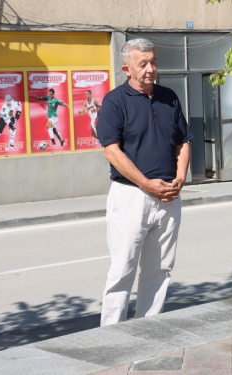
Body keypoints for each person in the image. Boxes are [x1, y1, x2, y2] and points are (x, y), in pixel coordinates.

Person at [97, 38, 194, 326]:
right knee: (123, 268)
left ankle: (149, 327)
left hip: (168, 196)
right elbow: (111, 150)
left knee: (160, 268)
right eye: (143, 64)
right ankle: (110, 333)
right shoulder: (114, 101)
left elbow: (183, 142)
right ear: (127, 68)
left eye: (153, 62)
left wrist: (179, 178)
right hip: (131, 197)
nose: (150, 69)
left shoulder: (169, 97)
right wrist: (145, 183)